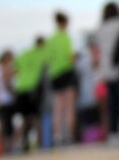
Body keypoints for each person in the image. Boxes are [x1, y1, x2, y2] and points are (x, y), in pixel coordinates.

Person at [46, 11, 77, 145]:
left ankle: (57, 135)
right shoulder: (66, 38)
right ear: (64, 23)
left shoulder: (51, 40)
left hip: (55, 76)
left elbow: (47, 59)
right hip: (66, 73)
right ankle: (69, 135)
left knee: (57, 108)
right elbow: (70, 57)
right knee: (69, 106)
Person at [94, 2, 119, 136]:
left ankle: (113, 128)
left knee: (111, 99)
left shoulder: (101, 28)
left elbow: (98, 50)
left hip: (106, 67)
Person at [13, 36, 47, 151]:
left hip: (21, 88)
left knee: (24, 119)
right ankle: (40, 143)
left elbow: (14, 68)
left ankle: (16, 144)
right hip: (32, 89)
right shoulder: (42, 53)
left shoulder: (25, 53)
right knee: (35, 118)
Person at [0, 50, 19, 153]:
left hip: (1, 100)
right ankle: (9, 146)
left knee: (3, 124)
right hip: (8, 100)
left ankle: (2, 146)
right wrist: (14, 92)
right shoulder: (6, 69)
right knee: (8, 125)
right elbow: (7, 84)